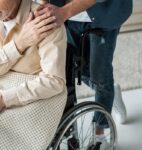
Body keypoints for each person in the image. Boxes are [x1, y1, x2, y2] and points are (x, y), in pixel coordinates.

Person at [34, 0, 133, 149]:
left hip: (104, 15)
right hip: (69, 19)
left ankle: (100, 135)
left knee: (100, 77)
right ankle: (111, 93)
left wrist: (64, 12)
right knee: (74, 71)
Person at [0, 0, 67, 149]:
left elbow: (54, 81)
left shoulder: (45, 19)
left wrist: (5, 99)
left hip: (38, 94)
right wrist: (19, 44)